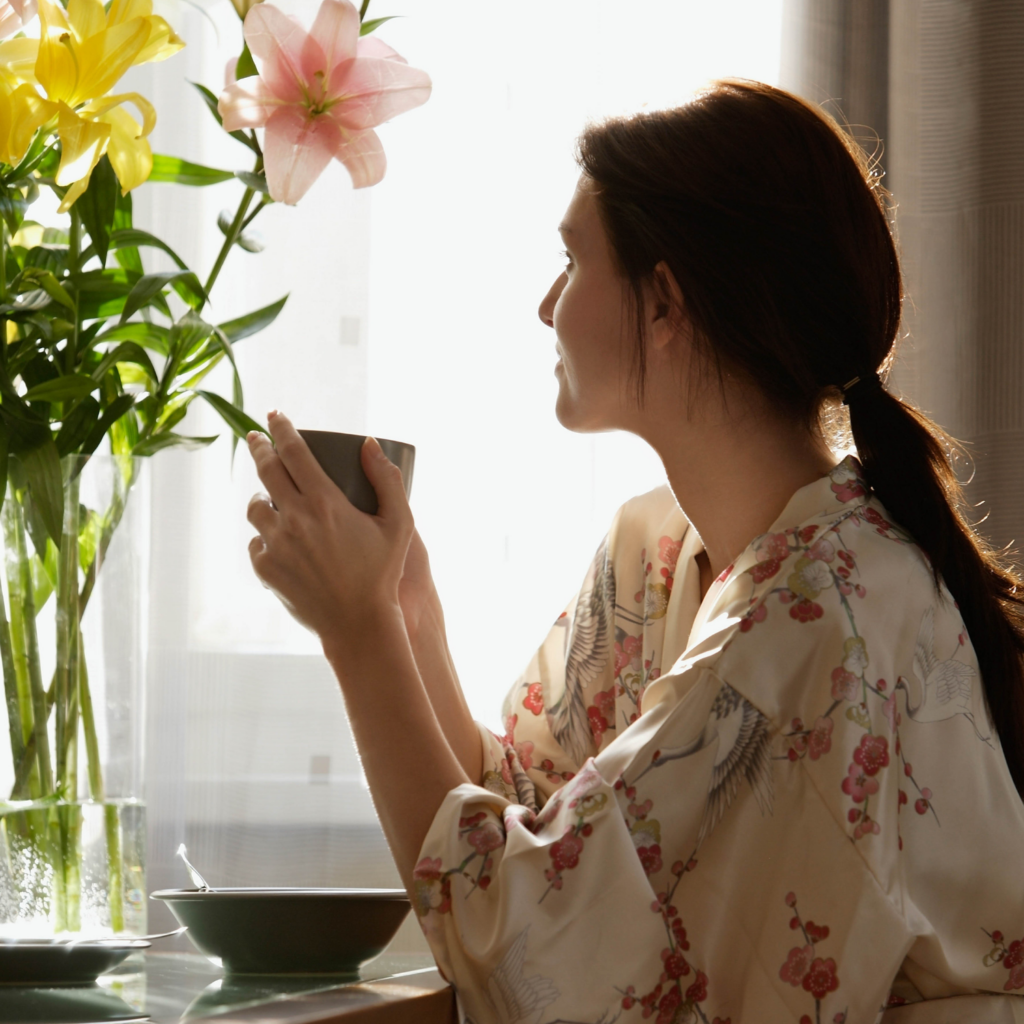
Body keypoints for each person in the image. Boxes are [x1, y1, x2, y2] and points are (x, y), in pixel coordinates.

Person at [244, 80, 1024, 1023]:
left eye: (571, 261)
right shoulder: (653, 553)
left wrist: (356, 633)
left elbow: (531, 952)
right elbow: (541, 828)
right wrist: (412, 620)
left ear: (664, 304)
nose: (544, 305)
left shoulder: (821, 613)